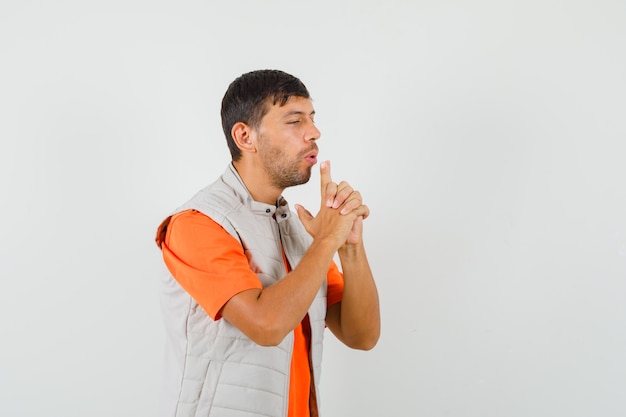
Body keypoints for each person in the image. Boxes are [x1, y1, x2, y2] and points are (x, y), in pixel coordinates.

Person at [155, 69, 380, 417]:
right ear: (246, 136)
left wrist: (348, 247)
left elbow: (361, 336)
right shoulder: (198, 224)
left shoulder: (297, 230)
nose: (315, 132)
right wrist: (326, 240)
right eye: (294, 121)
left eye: (312, 118)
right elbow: (266, 325)